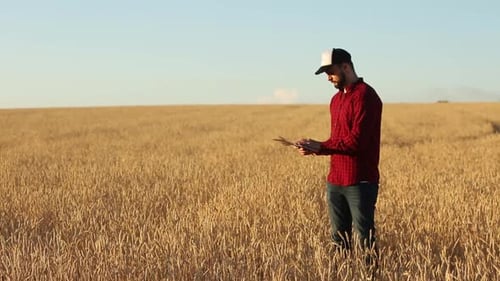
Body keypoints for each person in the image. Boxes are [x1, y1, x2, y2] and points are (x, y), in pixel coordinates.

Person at [296, 48, 382, 269]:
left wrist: (321, 146)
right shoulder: (335, 100)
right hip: (335, 179)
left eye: (330, 71)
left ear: (346, 66)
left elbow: (357, 142)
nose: (328, 77)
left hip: (360, 181)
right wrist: (315, 148)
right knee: (339, 241)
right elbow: (338, 140)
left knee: (365, 241)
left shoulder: (366, 96)